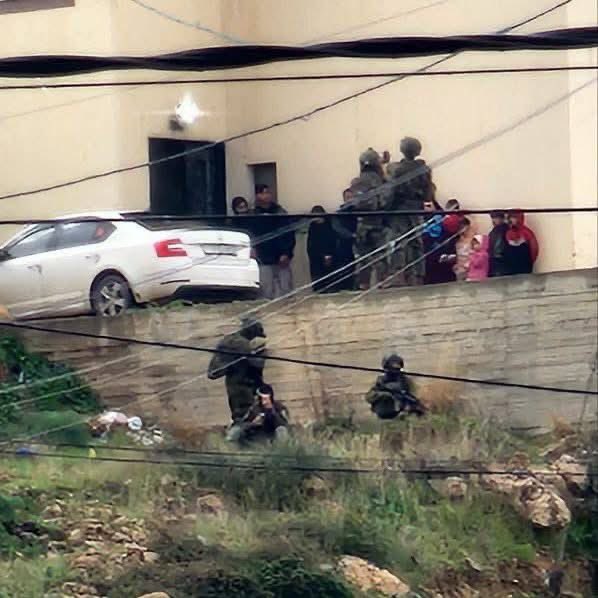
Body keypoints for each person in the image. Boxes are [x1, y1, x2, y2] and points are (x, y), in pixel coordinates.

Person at [385, 137, 430, 287]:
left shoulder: (398, 170)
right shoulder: (424, 169)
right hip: (417, 209)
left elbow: (391, 193)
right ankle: (418, 276)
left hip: (400, 211)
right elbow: (428, 193)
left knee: (399, 243)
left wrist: (387, 210)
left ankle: (398, 276)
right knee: (417, 243)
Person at [208, 317, 267, 424]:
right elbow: (258, 365)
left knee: (244, 417)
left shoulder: (230, 341)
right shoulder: (240, 344)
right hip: (242, 386)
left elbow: (213, 372)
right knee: (246, 418)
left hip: (237, 385)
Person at [351, 149, 389, 290]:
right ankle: (383, 286)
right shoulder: (382, 181)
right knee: (382, 261)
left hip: (363, 225)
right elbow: (385, 202)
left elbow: (355, 204)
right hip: (379, 225)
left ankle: (363, 287)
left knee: (363, 262)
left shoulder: (357, 182)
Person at [251, 185, 296, 299]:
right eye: (262, 193)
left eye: (267, 192)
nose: (266, 195)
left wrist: (286, 253)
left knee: (286, 290)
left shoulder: (280, 212)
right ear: (257, 195)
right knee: (266, 291)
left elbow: (289, 234)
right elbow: (251, 234)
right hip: (263, 258)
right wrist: (253, 249)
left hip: (281, 258)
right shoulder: (253, 215)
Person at [366, 354, 426, 419]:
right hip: (383, 413)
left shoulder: (405, 381)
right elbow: (368, 397)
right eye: (392, 368)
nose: (394, 371)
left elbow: (414, 396)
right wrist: (383, 394)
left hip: (400, 413)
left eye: (397, 369)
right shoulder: (381, 381)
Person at [422, 198, 456, 285]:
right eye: (424, 206)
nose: (426, 208)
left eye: (429, 206)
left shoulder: (441, 219)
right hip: (428, 255)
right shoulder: (422, 219)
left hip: (441, 251)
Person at [331, 188, 358, 291]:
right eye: (348, 197)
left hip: (360, 245)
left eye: (351, 197)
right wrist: (351, 235)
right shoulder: (339, 214)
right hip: (343, 247)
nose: (350, 199)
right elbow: (337, 228)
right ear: (344, 199)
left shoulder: (360, 212)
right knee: (344, 271)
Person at [307, 206, 337, 293]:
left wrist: (328, 254)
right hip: (315, 258)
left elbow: (331, 241)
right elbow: (310, 244)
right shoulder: (312, 227)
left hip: (328, 256)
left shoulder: (328, 226)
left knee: (329, 281)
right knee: (318, 283)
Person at [504, 209, 539, 275]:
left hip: (524, 267)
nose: (511, 220)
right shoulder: (508, 232)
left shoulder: (526, 232)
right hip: (512, 269)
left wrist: (529, 262)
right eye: (510, 217)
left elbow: (534, 249)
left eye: (514, 217)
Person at [488, 210, 509, 277]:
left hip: (500, 260)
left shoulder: (504, 230)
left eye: (495, 218)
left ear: (501, 218)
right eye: (492, 218)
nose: (493, 220)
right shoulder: (495, 230)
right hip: (496, 260)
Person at [453, 217, 474, 282]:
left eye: (462, 227)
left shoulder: (473, 239)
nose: (461, 229)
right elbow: (457, 255)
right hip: (459, 270)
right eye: (459, 227)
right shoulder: (457, 240)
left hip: (470, 269)